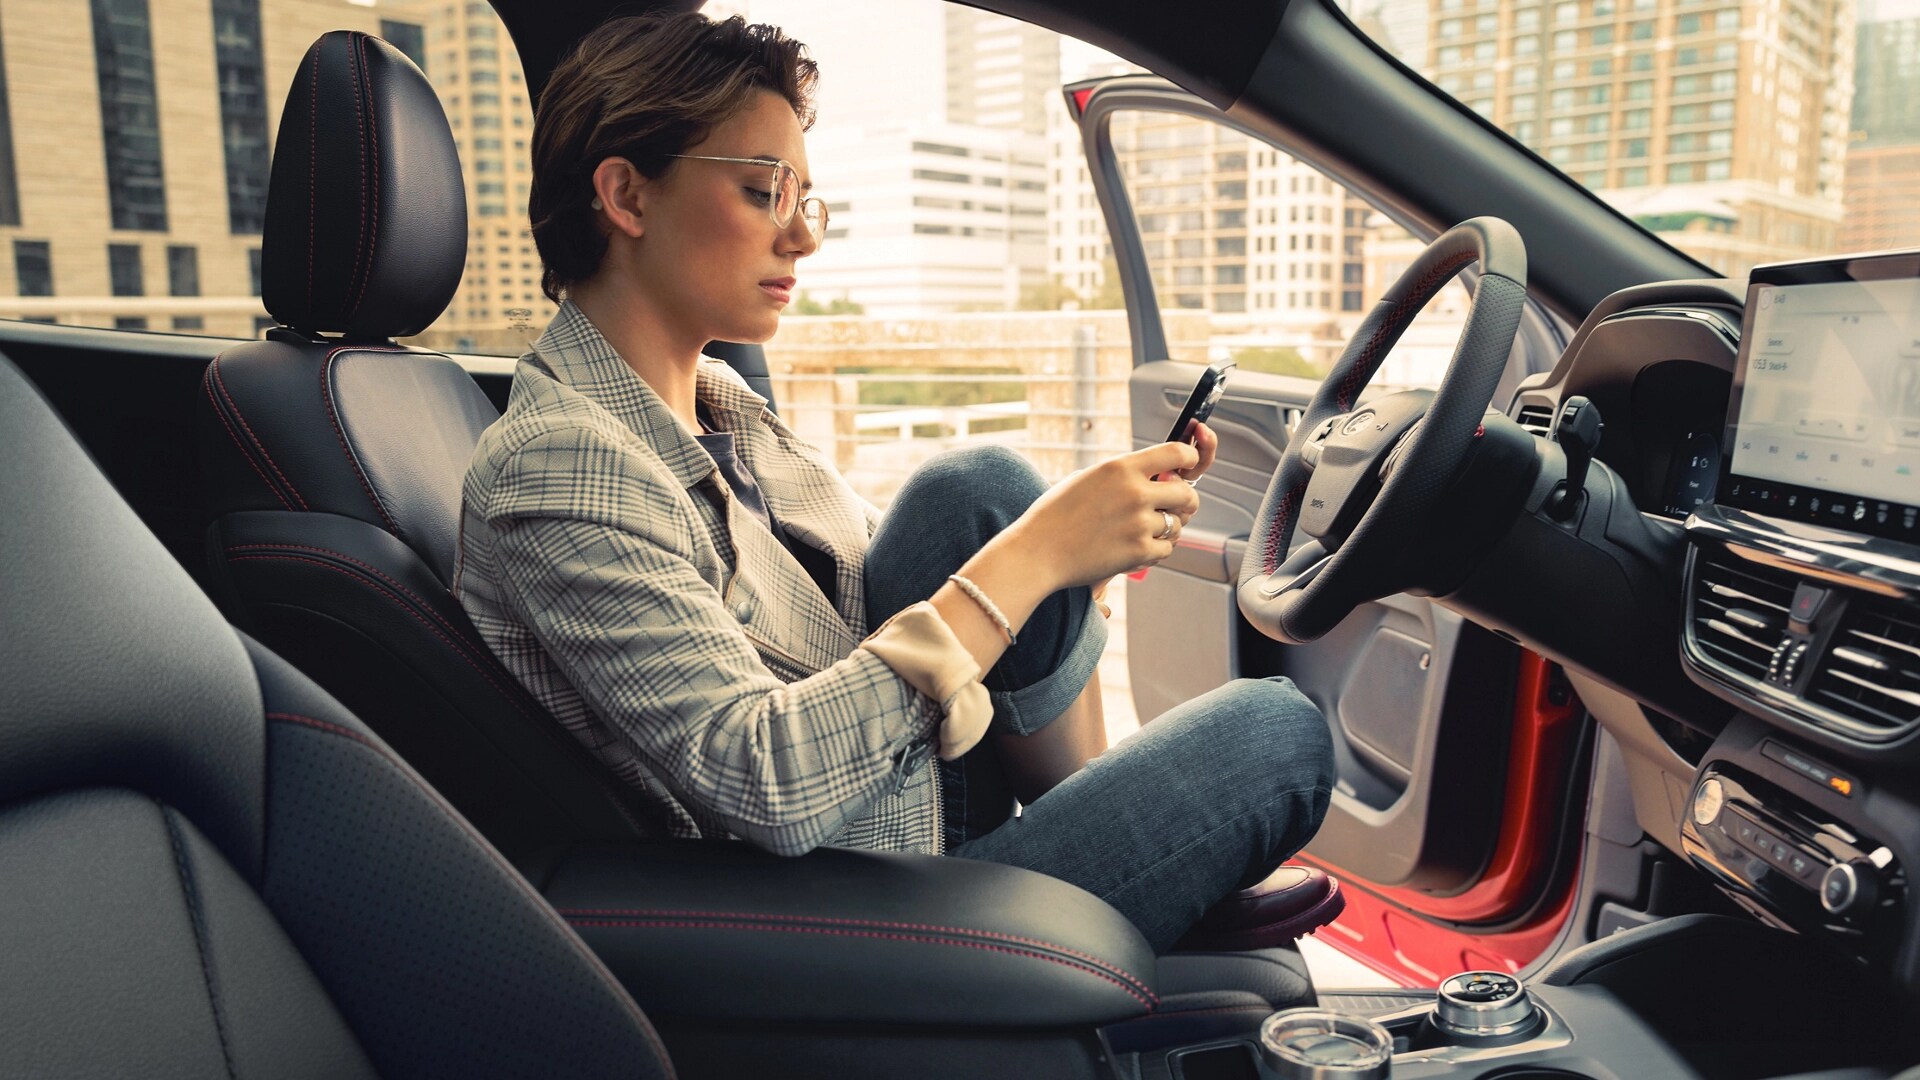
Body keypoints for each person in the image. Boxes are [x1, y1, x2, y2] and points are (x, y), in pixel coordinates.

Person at [454, 11, 1334, 953]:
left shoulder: (719, 406)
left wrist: (1076, 542)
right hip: (836, 906)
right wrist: (1036, 559)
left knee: (980, 487)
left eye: (805, 200)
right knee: (1274, 735)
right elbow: (764, 781)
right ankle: (1112, 895)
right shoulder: (557, 465)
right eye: (762, 192)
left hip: (896, 799)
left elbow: (915, 573)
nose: (802, 239)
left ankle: (1108, 868)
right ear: (627, 196)